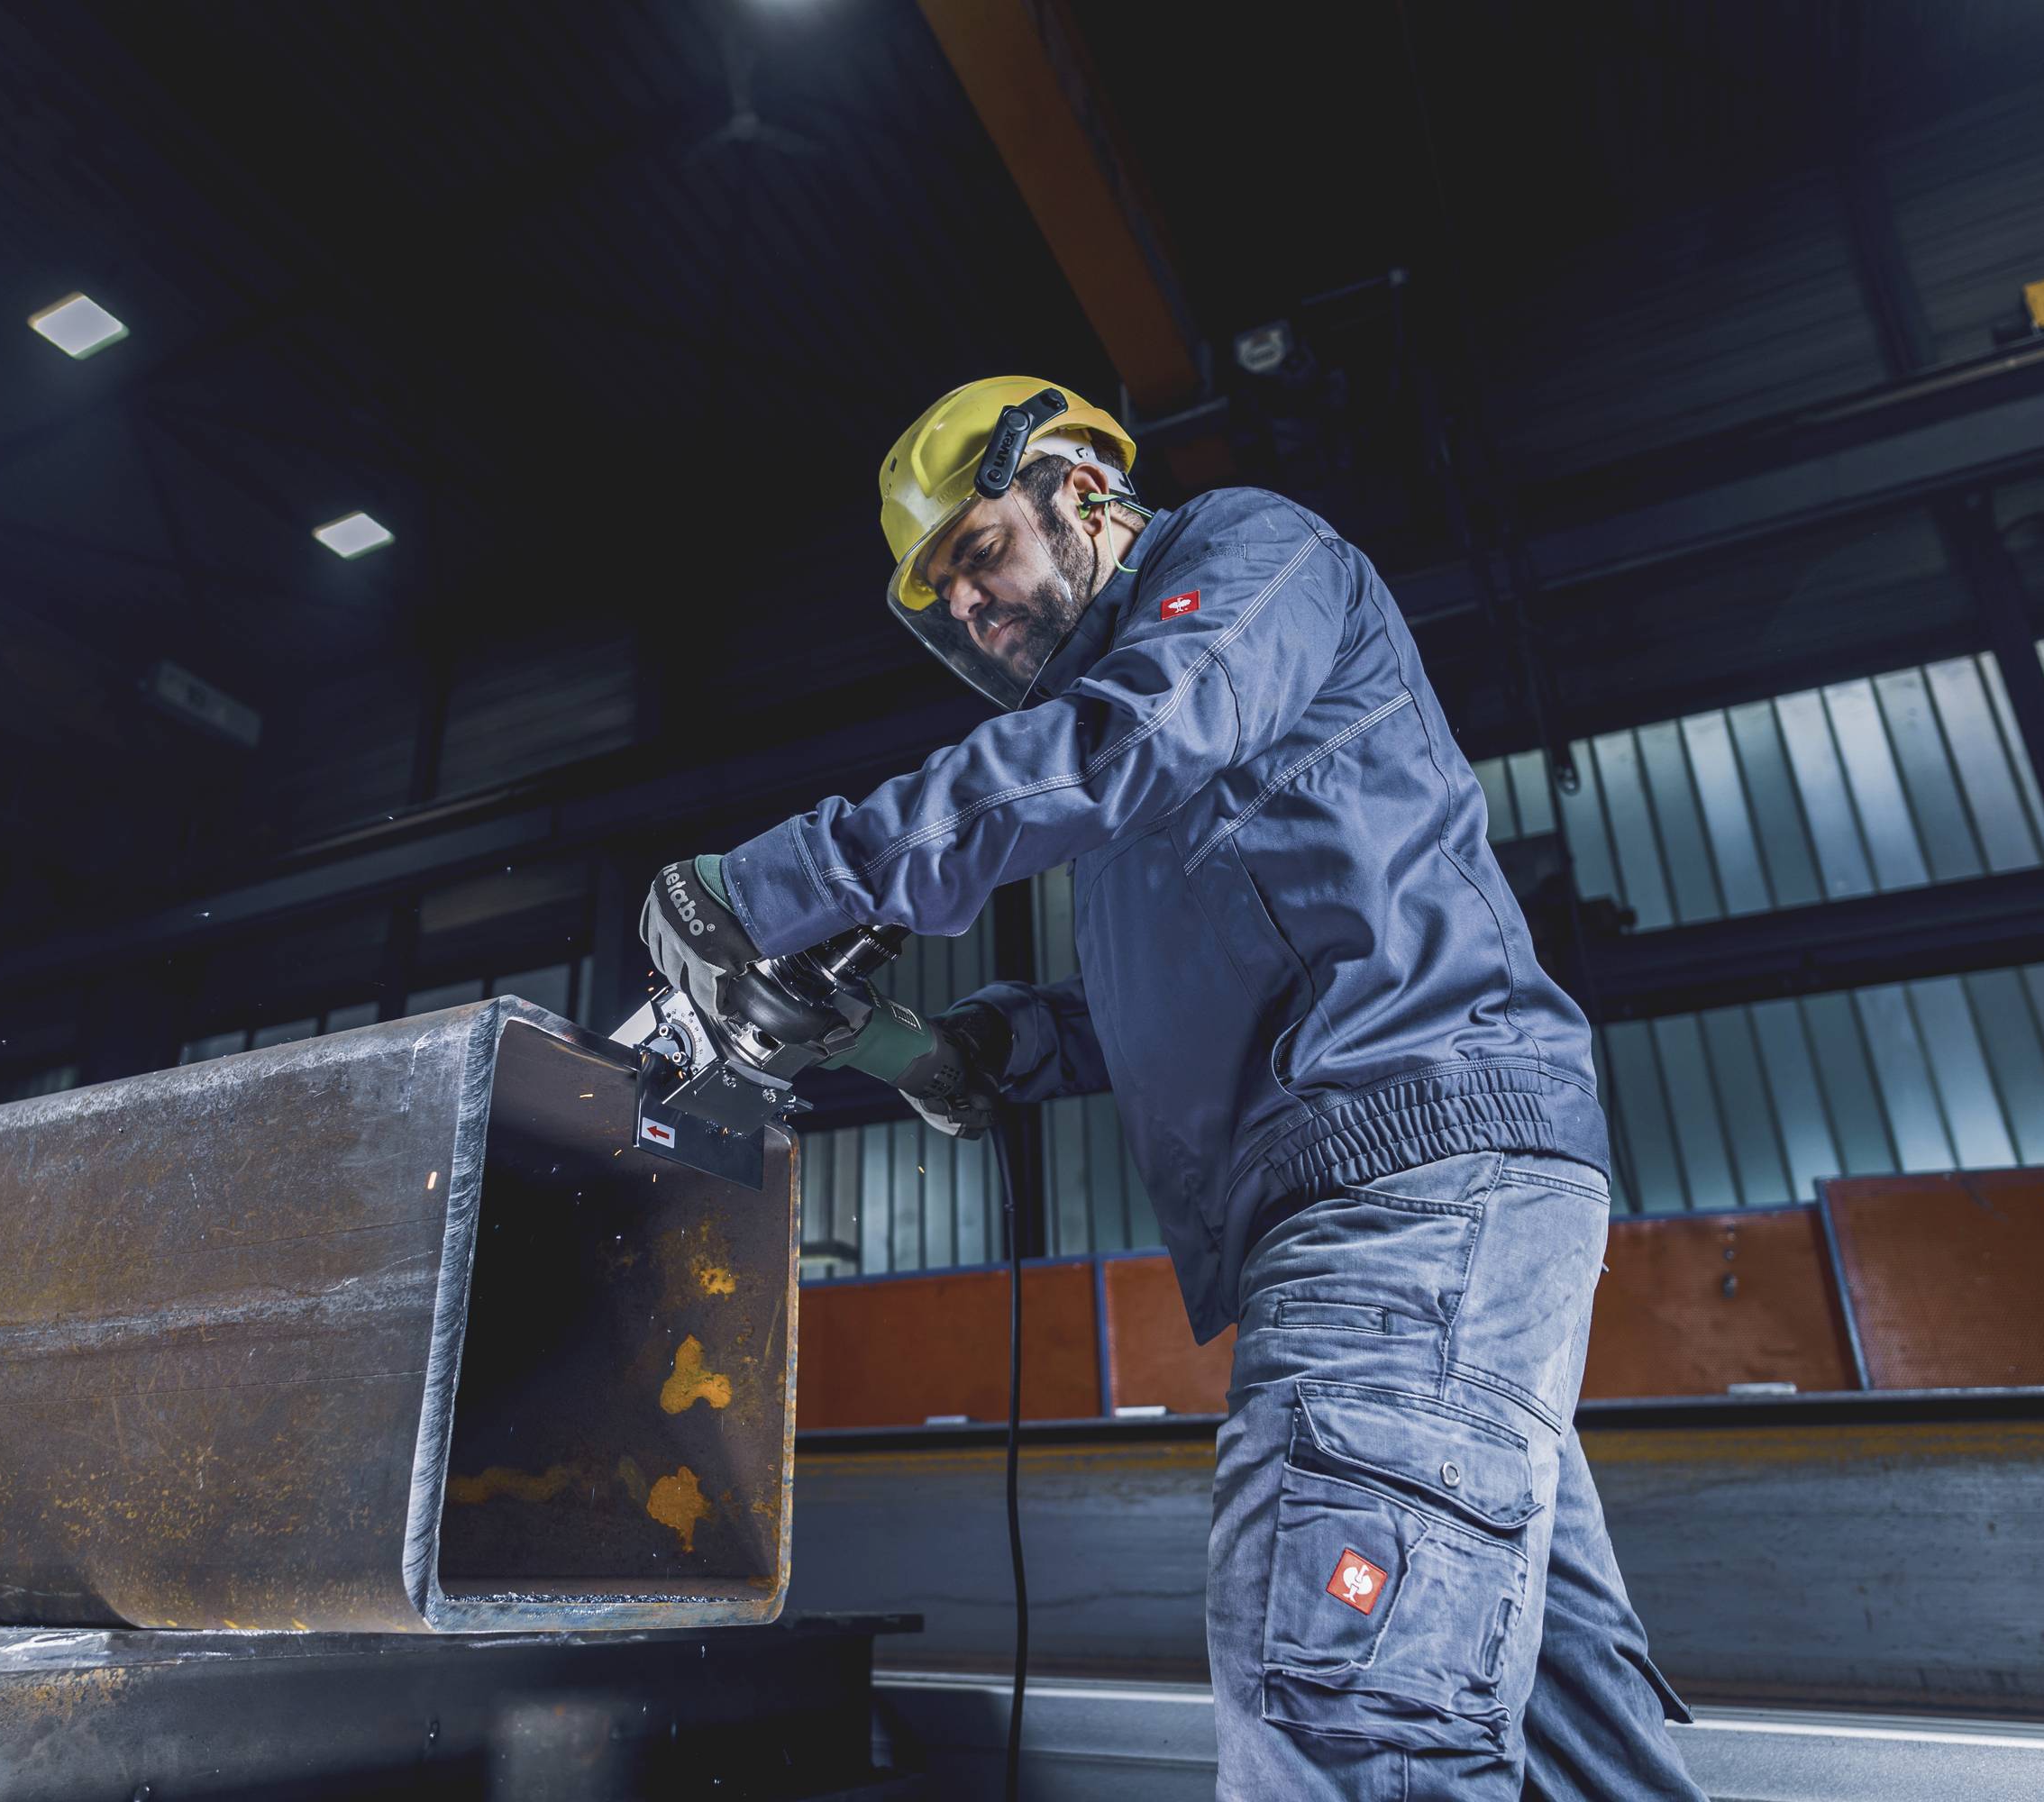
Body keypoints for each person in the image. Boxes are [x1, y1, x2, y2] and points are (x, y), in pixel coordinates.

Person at [642, 377, 1705, 1798]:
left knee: (1338, 1709)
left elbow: (1126, 744)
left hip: (1406, 1189)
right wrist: (971, 1047)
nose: (971, 610)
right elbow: (1178, 984)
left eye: (977, 556)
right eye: (943, 598)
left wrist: (777, 882)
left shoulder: (1246, 566)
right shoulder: (1141, 766)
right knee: (1564, 1724)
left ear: (1078, 488)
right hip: (1406, 1201)